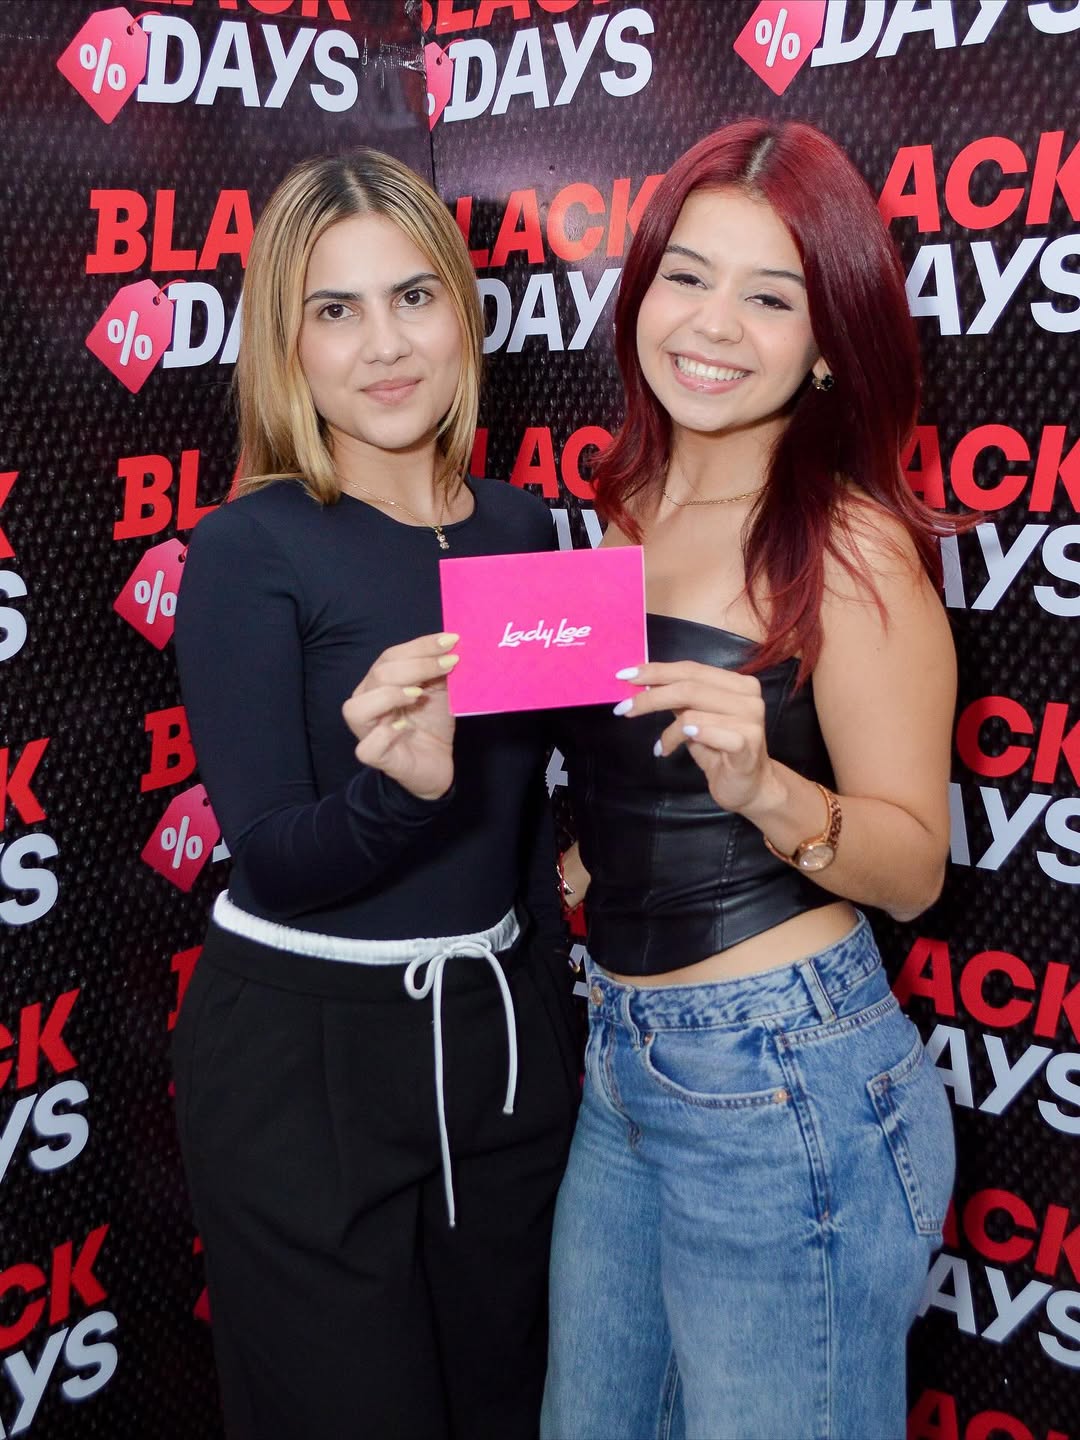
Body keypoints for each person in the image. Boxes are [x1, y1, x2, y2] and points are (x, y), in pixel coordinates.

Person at [541, 119, 959, 1440]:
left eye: (771, 296)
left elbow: (914, 869)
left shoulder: (849, 545)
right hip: (623, 1061)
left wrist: (767, 787)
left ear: (828, 341)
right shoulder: (621, 510)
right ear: (641, 292)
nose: (713, 324)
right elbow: (623, 788)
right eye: (687, 275)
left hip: (786, 1076)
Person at [171, 149, 579, 1440]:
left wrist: (552, 1025)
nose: (386, 346)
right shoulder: (248, 545)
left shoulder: (522, 528)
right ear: (285, 345)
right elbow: (273, 859)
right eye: (335, 310)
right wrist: (394, 795)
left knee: (508, 1407)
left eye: (413, 297)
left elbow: (522, 829)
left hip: (500, 1051)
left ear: (462, 308)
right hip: (305, 1070)